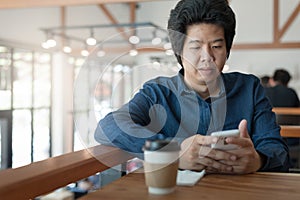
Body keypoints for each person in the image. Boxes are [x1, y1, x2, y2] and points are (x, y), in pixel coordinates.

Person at [95, 0, 290, 173]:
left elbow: (277, 150)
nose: (207, 57)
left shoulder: (249, 88)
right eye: (195, 47)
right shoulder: (158, 93)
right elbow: (108, 127)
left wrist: (257, 160)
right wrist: (173, 151)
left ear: (227, 49)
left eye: (216, 46)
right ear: (179, 52)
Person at [265, 69, 300, 168]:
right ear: (287, 82)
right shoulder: (291, 93)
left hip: (269, 137)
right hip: (292, 140)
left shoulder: (265, 91)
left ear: (272, 80)